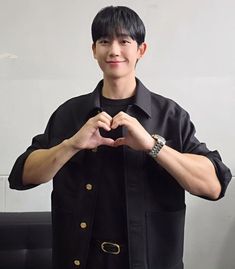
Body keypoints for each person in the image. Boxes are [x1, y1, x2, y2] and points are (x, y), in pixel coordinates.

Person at [9, 5, 231, 269]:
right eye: (104, 41)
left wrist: (152, 145)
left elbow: (214, 186)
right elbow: (22, 175)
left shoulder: (170, 115)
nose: (114, 50)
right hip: (79, 260)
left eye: (124, 41)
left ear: (141, 50)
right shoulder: (70, 113)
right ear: (94, 50)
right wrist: (71, 145)